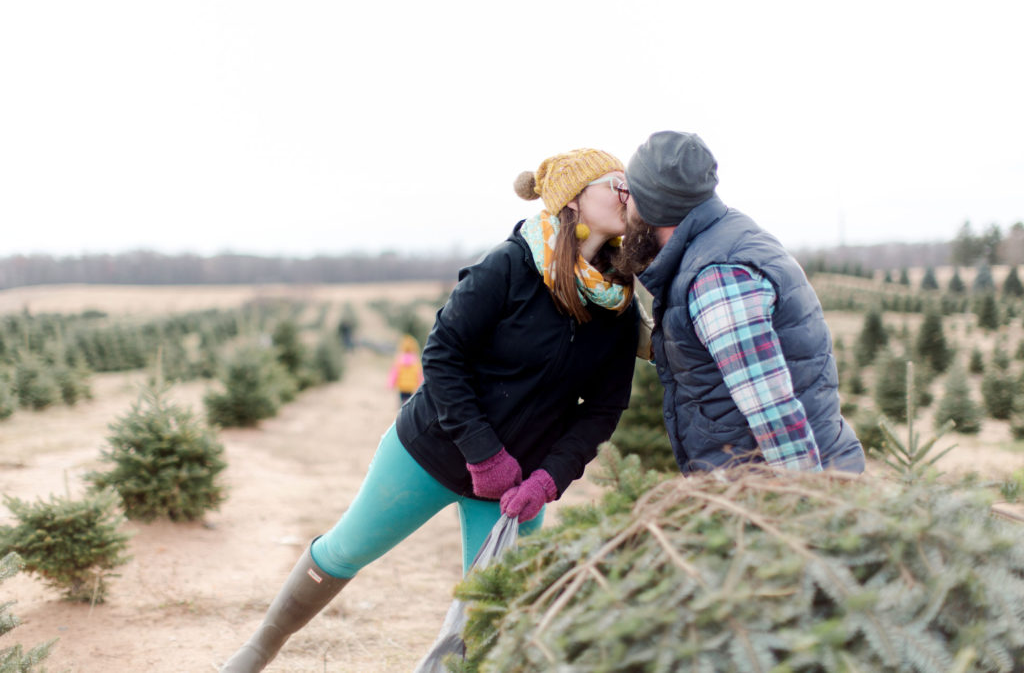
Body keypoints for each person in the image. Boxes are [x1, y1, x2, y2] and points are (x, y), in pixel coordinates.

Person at [220, 148, 639, 671]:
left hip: (516, 488)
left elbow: (603, 409)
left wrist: (548, 480)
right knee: (345, 550)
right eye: (616, 183)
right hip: (431, 451)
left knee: (500, 606)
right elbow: (442, 354)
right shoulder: (510, 264)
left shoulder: (619, 306)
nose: (629, 194)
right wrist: (483, 452)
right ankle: (261, 648)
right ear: (575, 197)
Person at [614, 131, 865, 474]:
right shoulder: (724, 238)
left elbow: (773, 414)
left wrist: (808, 511)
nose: (624, 207)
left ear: (654, 205)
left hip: (774, 499)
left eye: (628, 194)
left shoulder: (715, 277)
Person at [388, 333, 423, 405]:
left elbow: (395, 372)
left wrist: (391, 383)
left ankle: (401, 409)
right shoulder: (415, 360)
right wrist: (420, 384)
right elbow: (419, 374)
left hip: (402, 386)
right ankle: (407, 411)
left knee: (402, 400)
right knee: (409, 401)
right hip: (411, 386)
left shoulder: (399, 359)